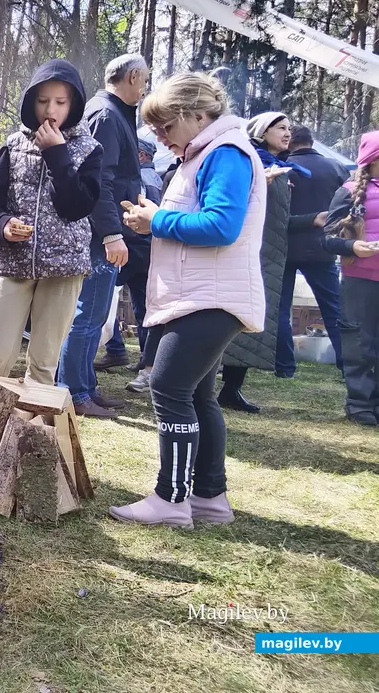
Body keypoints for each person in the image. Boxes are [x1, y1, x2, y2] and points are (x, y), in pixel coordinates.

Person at [109, 72, 266, 529]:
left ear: (197, 116)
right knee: (197, 393)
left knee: (168, 387)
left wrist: (156, 220)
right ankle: (210, 499)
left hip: (210, 296)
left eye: (165, 128)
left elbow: (221, 226)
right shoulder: (209, 153)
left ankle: (171, 499)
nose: (160, 138)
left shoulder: (225, 154)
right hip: (203, 293)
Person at [0, 59, 103, 389]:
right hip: (13, 263)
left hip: (64, 266)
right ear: (31, 101)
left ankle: (31, 439)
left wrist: (58, 154)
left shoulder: (89, 150)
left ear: (73, 104)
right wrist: (2, 225)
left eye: (60, 102)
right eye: (43, 101)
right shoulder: (13, 145)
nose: (51, 110)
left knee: (44, 364)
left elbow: (76, 207)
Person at [57, 54, 148, 418]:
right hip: (98, 235)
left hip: (104, 231)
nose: (145, 88)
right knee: (88, 314)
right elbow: (98, 180)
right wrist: (112, 233)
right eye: (145, 80)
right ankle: (73, 392)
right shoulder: (106, 115)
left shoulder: (109, 113)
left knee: (94, 314)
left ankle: (86, 387)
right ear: (134, 76)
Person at [215, 112, 301, 414]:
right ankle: (215, 386)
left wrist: (310, 221)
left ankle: (231, 389)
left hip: (271, 255)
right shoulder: (251, 161)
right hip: (253, 250)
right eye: (281, 128)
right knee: (235, 318)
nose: (287, 133)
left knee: (252, 324)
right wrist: (259, 181)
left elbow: (281, 219)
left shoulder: (280, 167)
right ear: (262, 132)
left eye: (289, 128)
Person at [276, 125, 348, 378]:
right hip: (323, 247)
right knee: (334, 308)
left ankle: (284, 367)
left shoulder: (279, 168)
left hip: (283, 246)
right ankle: (347, 364)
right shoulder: (335, 167)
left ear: (289, 142)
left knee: (280, 309)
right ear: (311, 141)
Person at [322, 131, 379, 426]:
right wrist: (353, 246)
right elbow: (328, 237)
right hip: (360, 278)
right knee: (360, 341)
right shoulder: (348, 191)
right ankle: (360, 404)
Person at [99, 137, 162, 377]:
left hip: (129, 245)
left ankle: (115, 346)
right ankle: (146, 358)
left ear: (142, 156)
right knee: (143, 306)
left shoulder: (141, 180)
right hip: (146, 250)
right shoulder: (155, 178)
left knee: (101, 298)